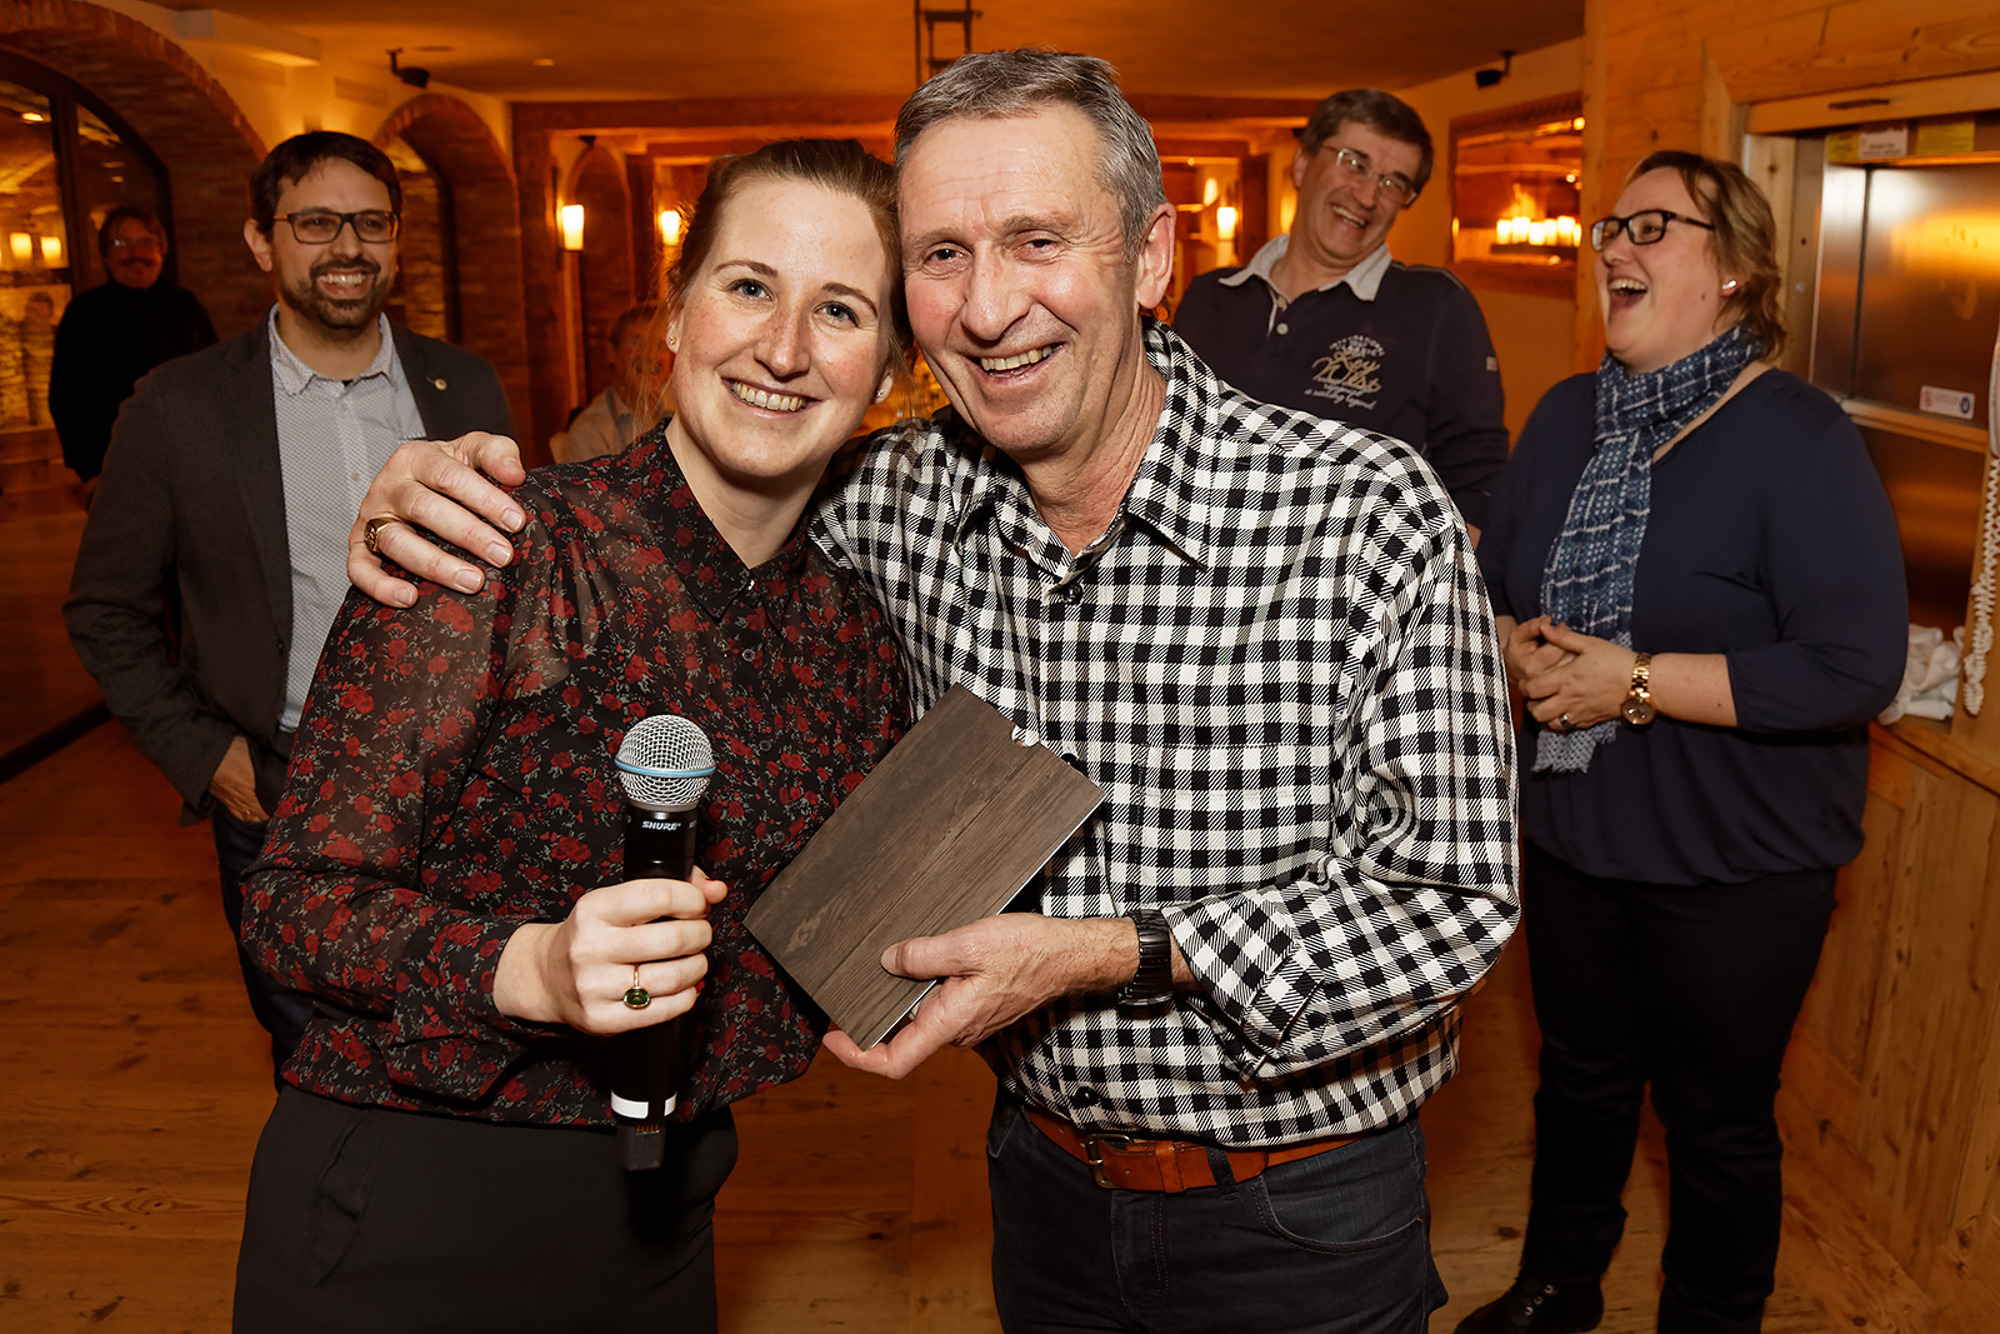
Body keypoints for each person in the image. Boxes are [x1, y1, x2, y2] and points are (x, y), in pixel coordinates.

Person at [350, 51, 1520, 1334]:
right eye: (942, 255)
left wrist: (1107, 951)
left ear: (1149, 258)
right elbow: (704, 499)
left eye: (1037, 241)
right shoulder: (890, 501)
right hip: (1039, 1184)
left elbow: (1449, 902)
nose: (988, 307)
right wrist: (462, 499)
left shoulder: (1362, 513)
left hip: (1300, 1209)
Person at [230, 138, 909, 1332]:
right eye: (749, 286)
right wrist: (529, 967)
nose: (784, 347)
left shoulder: (850, 633)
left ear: (888, 372)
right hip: (412, 1197)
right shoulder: (493, 545)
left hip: (664, 1208)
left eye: (840, 309)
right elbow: (292, 905)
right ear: (676, 314)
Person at [1460, 151, 1906, 1334]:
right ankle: (1557, 1283)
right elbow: (1491, 595)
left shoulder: (1800, 437)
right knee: (1578, 1081)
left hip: (1736, 865)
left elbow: (1853, 666)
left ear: (1736, 269)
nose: (1613, 245)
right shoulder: (1564, 418)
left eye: (1651, 227)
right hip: (1573, 839)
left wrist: (1635, 682)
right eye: (1609, 225)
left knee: (1713, 1123)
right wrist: (1512, 648)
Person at [62, 133, 514, 1073]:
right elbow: (105, 610)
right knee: (315, 1057)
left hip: (462, 786)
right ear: (261, 242)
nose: (347, 246)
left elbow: (512, 576)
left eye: (370, 223)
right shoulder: (177, 409)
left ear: (396, 240)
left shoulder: (463, 384)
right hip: (281, 790)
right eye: (315, 223)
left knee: (468, 1038)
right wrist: (208, 760)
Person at [1172, 89, 1507, 533]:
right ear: (1302, 163)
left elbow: (1477, 478)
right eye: (1354, 163)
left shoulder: (1436, 306)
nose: (1367, 196)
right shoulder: (1209, 296)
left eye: (1393, 183)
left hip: (1346, 575)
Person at [49, 205, 218, 491]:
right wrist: (89, 471)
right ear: (106, 255)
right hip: (113, 470)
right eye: (122, 243)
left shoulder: (186, 307)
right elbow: (66, 398)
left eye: (146, 242)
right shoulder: (83, 314)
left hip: (186, 465)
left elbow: (214, 381)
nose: (136, 252)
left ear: (160, 250)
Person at [554, 301, 667, 462]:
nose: (650, 354)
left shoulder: (682, 416)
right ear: (612, 352)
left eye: (659, 344)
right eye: (636, 343)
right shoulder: (590, 433)